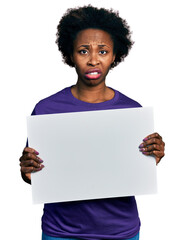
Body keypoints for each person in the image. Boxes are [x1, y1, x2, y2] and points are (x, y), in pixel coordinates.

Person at [19, 5, 165, 240]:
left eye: (103, 51)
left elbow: (133, 170)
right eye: (84, 51)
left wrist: (153, 157)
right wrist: (27, 170)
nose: (94, 60)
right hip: (61, 231)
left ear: (115, 55)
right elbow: (33, 175)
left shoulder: (132, 111)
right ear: (70, 55)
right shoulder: (46, 109)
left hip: (120, 231)